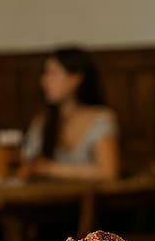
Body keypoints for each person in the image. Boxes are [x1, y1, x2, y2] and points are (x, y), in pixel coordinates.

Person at [22, 47, 120, 180]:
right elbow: (26, 162)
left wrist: (50, 168)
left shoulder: (101, 118)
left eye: (53, 73)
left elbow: (108, 172)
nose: (44, 80)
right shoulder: (43, 120)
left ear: (76, 79)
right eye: (45, 73)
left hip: (88, 198)